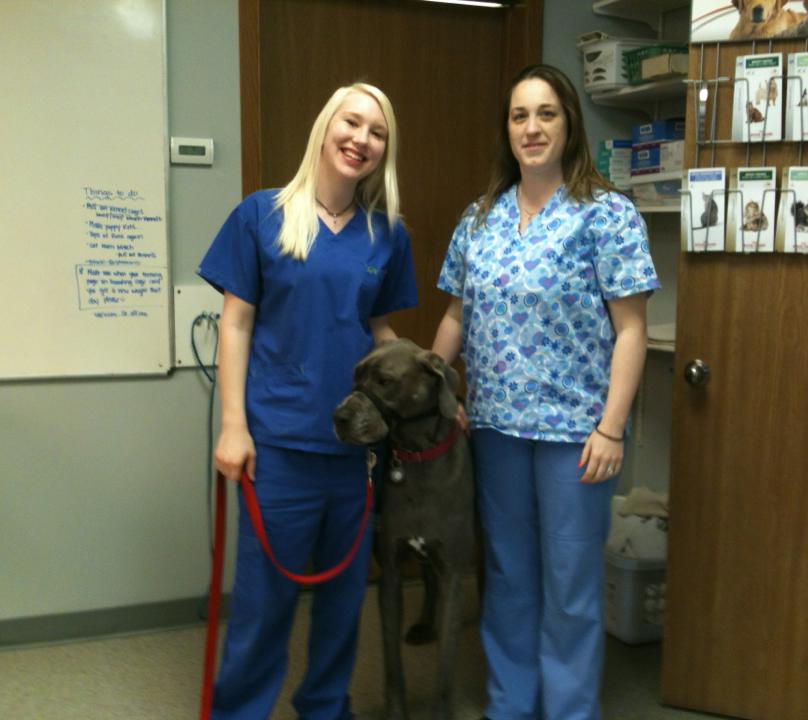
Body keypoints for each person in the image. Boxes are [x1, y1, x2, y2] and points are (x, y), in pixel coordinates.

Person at [432, 64, 660, 720]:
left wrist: (612, 426)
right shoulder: (479, 220)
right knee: (505, 578)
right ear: (506, 131)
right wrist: (425, 388)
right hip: (496, 428)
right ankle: (510, 705)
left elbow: (631, 330)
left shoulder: (607, 215)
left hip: (577, 437)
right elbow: (455, 316)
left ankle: (567, 711)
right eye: (519, 116)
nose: (532, 128)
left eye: (546, 113)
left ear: (569, 124)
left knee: (569, 587)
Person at [197, 82, 418, 720]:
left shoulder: (386, 235)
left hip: (354, 453)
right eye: (352, 123)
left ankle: (324, 706)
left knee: (344, 602)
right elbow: (235, 324)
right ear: (326, 128)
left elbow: (380, 332)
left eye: (377, 133)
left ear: (385, 151)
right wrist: (233, 427)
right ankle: (240, 710)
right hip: (277, 447)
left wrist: (422, 383)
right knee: (265, 604)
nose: (362, 140)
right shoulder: (260, 216)